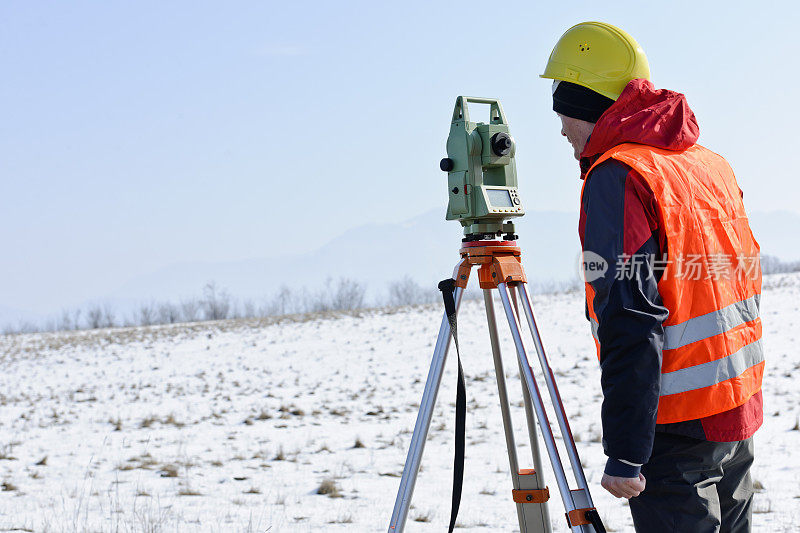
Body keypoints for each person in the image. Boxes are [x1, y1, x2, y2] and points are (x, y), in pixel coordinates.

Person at [541, 22, 764, 532]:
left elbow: (630, 317)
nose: (560, 130)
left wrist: (626, 451)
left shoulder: (619, 177)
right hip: (735, 411)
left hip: (675, 427)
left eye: (563, 113)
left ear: (590, 105)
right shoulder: (709, 165)